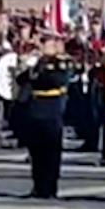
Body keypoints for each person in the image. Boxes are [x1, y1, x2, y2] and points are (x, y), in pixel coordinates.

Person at [18, 29, 74, 199]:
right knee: (36, 151)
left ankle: (50, 187)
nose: (43, 47)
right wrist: (28, 67)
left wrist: (37, 73)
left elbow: (57, 80)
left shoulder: (61, 62)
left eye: (47, 43)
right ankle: (38, 185)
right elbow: (20, 80)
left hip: (51, 109)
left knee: (51, 152)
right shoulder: (37, 62)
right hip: (35, 109)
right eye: (43, 43)